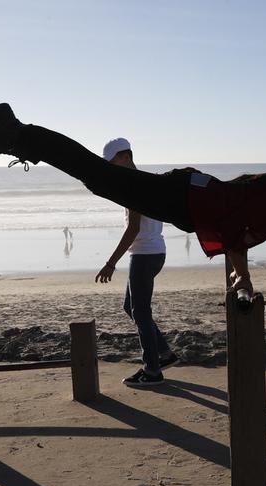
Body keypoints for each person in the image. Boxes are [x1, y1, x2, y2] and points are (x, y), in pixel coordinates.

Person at [0, 103, 266, 310]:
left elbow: (237, 228)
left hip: (185, 196)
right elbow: (235, 230)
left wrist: (242, 273)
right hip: (183, 197)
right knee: (95, 174)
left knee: (95, 175)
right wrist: (243, 277)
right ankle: (14, 131)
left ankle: (15, 137)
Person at [95, 138, 178, 387]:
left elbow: (133, 228)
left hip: (143, 254)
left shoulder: (134, 186)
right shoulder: (145, 180)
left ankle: (152, 370)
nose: (110, 167)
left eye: (112, 162)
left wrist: (110, 263)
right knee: (131, 307)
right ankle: (164, 354)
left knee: (141, 312)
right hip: (154, 252)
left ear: (125, 156)